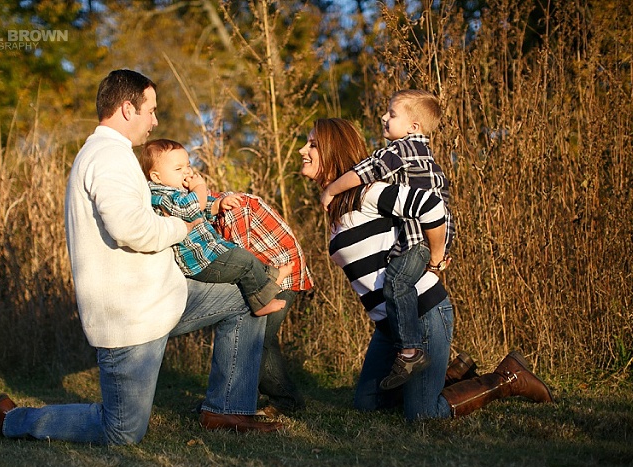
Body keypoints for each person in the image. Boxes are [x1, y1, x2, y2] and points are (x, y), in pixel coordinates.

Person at [0, 69, 283, 444]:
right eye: (151, 110)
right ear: (128, 108)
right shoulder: (107, 157)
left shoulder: (116, 155)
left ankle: (225, 410)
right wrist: (183, 228)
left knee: (245, 298)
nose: (155, 121)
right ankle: (15, 420)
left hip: (162, 299)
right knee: (122, 430)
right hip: (128, 317)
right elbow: (131, 229)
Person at [300, 117, 553, 420]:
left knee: (423, 416)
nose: (303, 150)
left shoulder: (369, 193)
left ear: (333, 149)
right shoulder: (339, 206)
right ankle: (450, 376)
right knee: (367, 404)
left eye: (313, 144)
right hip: (389, 326)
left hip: (421, 312)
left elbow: (432, 206)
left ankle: (508, 378)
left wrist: (436, 257)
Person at [320, 91, 456, 392]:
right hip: (393, 311)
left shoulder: (398, 152)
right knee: (368, 405)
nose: (384, 117)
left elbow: (366, 172)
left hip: (423, 285)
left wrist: (331, 189)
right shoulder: (419, 154)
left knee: (396, 281)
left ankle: (413, 354)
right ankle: (452, 373)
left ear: (414, 127)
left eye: (392, 114)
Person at [139, 138, 292, 317]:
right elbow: (192, 208)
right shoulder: (161, 197)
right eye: (178, 169)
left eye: (188, 166)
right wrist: (199, 187)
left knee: (244, 256)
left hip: (211, 251)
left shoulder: (178, 191)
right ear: (156, 176)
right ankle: (260, 302)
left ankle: (271, 278)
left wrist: (218, 205)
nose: (187, 172)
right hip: (199, 261)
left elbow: (202, 209)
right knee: (243, 260)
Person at [211, 192, 314, 416]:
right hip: (266, 274)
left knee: (255, 341)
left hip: (281, 274)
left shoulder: (230, 208)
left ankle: (235, 405)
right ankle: (282, 400)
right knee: (260, 340)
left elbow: (240, 259)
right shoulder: (212, 216)